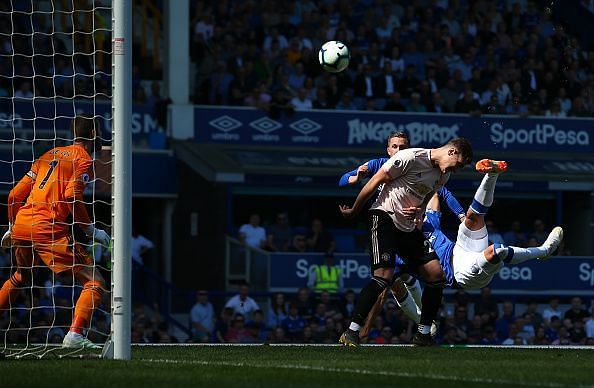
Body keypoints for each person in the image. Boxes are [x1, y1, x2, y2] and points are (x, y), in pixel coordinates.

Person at [338, 138, 474, 347]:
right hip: (383, 217)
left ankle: (423, 333)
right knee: (383, 278)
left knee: (436, 275)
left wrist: (419, 211)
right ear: (452, 152)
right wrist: (355, 210)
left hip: (407, 228)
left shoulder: (443, 175)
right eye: (459, 164)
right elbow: (375, 181)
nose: (456, 170)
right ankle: (352, 331)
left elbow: (428, 193)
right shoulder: (410, 157)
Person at [0, 115, 110, 349]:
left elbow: (13, 196)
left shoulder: (48, 154)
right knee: (95, 282)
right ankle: (74, 335)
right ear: (93, 134)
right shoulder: (84, 160)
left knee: (20, 277)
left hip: (21, 223)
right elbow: (72, 196)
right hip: (48, 228)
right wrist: (90, 229)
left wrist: (11, 227)